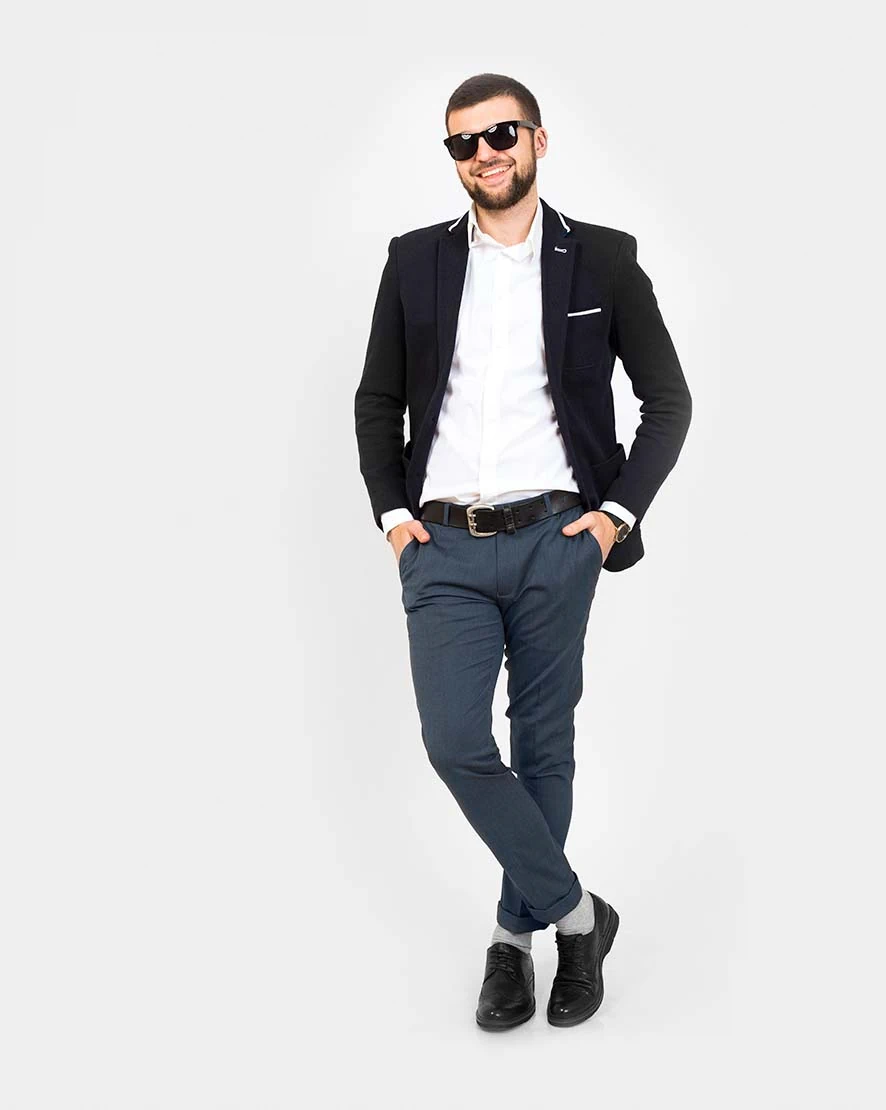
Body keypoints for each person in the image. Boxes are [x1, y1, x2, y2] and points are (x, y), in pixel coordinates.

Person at [354, 72, 692, 1029]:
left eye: (500, 134)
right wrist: (393, 518)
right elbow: (379, 399)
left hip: (556, 539)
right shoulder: (413, 260)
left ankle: (512, 940)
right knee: (456, 741)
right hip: (442, 545)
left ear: (537, 140)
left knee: (545, 742)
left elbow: (667, 400)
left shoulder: (605, 260)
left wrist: (614, 517)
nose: (484, 154)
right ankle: (580, 918)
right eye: (463, 143)